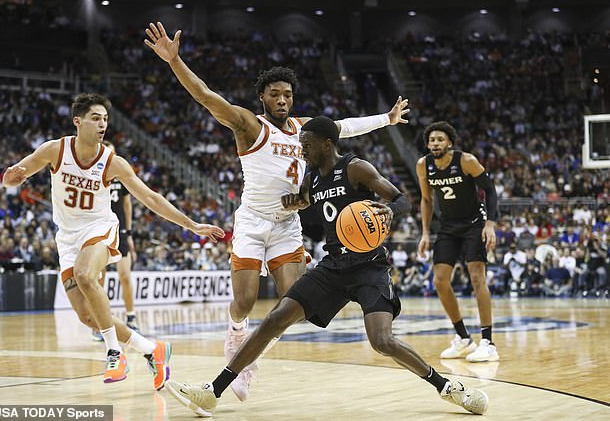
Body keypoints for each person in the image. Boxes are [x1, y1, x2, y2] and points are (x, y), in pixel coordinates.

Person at [144, 21, 410, 400]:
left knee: (292, 304)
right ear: (263, 98)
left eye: (287, 95)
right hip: (252, 222)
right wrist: (175, 61)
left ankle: (247, 365)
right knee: (246, 302)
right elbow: (205, 95)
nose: (282, 100)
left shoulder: (306, 130)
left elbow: (346, 127)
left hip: (287, 225)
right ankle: (235, 335)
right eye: (274, 95)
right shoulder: (250, 126)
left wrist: (387, 119)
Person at [164, 116, 488, 417]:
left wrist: (388, 211)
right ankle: (212, 391)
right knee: (276, 317)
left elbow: (400, 198)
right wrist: (295, 203)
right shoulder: (312, 178)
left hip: (369, 267)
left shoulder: (355, 168)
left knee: (382, 341)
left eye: (306, 145)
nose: (301, 150)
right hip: (333, 265)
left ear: (327, 144)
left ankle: (447, 387)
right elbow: (305, 201)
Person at [2, 93, 224, 388]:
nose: (102, 124)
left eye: (105, 119)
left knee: (85, 275)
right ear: (77, 122)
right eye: (96, 118)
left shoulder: (112, 162)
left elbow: (149, 197)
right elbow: (15, 175)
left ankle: (114, 353)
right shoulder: (55, 150)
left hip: (99, 228)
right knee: (88, 317)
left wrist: (191, 224)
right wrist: (10, 178)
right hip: (66, 239)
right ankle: (152, 350)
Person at [416, 121, 499, 362]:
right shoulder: (424, 165)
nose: (435, 143)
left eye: (440, 139)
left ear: (449, 143)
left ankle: (488, 342)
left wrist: (490, 224)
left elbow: (490, 190)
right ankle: (463, 338)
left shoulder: (466, 161)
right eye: (432, 140)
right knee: (439, 281)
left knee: (476, 277)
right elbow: (426, 200)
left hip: (474, 223)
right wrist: (424, 233)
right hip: (448, 227)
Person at [91, 140, 139, 342]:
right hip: (99, 232)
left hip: (120, 232)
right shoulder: (92, 177)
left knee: (125, 277)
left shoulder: (121, 176)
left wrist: (128, 233)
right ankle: (102, 324)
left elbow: (127, 206)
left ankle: (131, 316)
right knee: (98, 281)